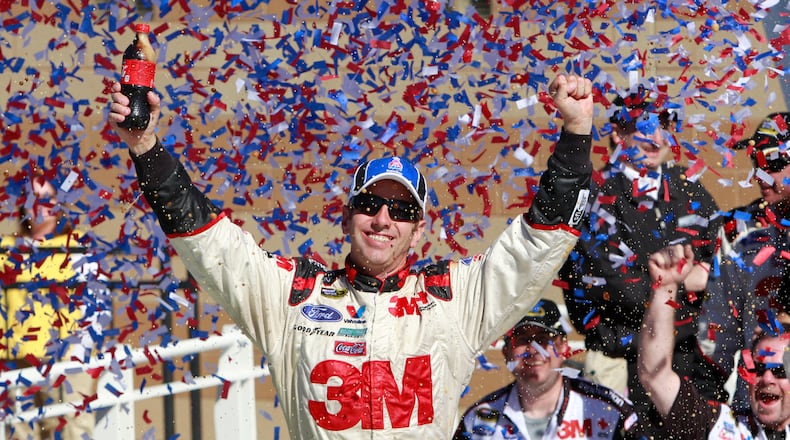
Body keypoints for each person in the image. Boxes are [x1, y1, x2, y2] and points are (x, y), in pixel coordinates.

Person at [107, 72, 594, 439]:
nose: (383, 218)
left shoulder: (454, 299)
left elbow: (536, 244)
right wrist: (146, 147)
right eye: (369, 204)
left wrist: (575, 137)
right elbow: (209, 241)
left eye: (401, 209)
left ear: (417, 230)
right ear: (346, 217)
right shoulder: (290, 295)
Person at [557, 86, 724, 433]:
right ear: (618, 133)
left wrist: (674, 282)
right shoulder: (593, 197)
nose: (655, 135)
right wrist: (686, 280)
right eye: (642, 125)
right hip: (619, 360)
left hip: (693, 359)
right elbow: (620, 291)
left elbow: (723, 278)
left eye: (665, 124)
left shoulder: (693, 193)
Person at [639, 243, 790, 439]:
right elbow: (655, 376)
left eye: (780, 371)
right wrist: (666, 287)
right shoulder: (720, 425)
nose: (767, 379)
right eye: (758, 369)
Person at [695, 111, 790, 411]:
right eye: (756, 163)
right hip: (758, 406)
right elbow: (716, 329)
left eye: (773, 163)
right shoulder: (740, 231)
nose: (761, 175)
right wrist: (709, 403)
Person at [454, 298, 638, 440]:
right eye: (523, 340)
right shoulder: (479, 417)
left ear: (564, 348)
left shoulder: (609, 408)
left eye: (543, 339)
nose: (533, 350)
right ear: (506, 351)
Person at [0, 174, 96, 439]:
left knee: (74, 432)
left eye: (46, 199)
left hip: (68, 357)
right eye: (32, 198)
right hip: (18, 359)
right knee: (23, 432)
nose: (39, 205)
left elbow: (94, 303)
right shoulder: (7, 249)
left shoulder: (76, 247)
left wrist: (79, 351)